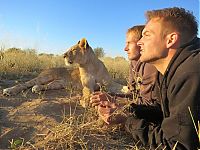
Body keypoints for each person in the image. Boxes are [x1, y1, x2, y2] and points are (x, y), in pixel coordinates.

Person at [96, 7, 200, 149]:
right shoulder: (170, 69)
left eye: (147, 35)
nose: (139, 42)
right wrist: (124, 109)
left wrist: (127, 121)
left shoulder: (191, 72)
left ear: (171, 39)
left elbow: (176, 145)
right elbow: (163, 113)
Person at [90, 26, 162, 125]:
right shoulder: (133, 62)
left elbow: (147, 104)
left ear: (141, 43)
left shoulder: (150, 66)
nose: (125, 48)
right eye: (125, 43)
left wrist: (114, 101)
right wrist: (110, 96)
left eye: (129, 43)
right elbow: (134, 95)